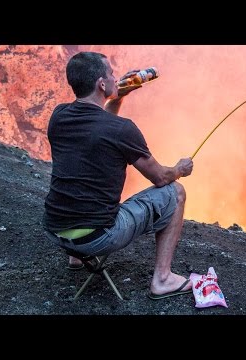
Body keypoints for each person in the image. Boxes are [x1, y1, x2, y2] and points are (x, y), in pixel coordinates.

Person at [43, 51, 194, 299]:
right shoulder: (123, 130)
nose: (116, 77)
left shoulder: (58, 116)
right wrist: (180, 169)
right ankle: (163, 279)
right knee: (175, 192)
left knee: (83, 173)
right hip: (97, 237)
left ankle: (75, 259)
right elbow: (160, 178)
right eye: (111, 73)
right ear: (102, 84)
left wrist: (118, 97)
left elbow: (98, 130)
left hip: (55, 230)